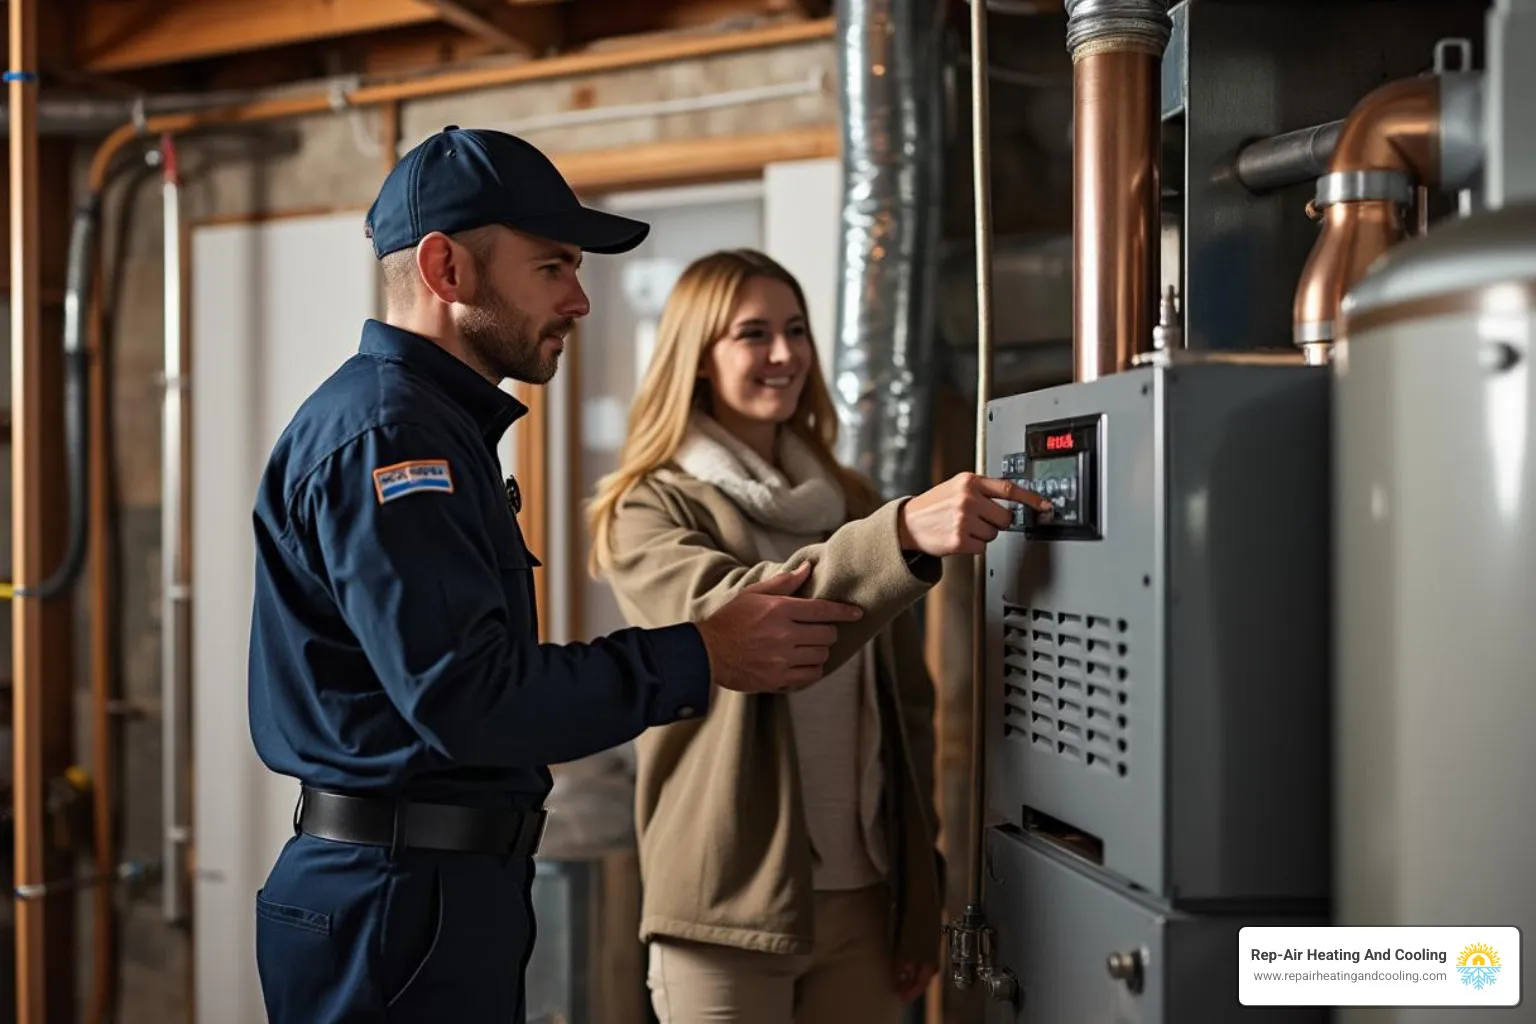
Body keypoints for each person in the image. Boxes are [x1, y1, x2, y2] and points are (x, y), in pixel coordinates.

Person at [244, 128, 867, 1024]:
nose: (580, 301)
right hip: (394, 897)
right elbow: (470, 697)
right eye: (552, 268)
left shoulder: (436, 429)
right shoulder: (393, 439)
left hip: (435, 887)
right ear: (445, 269)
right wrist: (701, 652)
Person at [586, 249, 1051, 1023]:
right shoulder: (651, 507)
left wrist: (917, 885)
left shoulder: (852, 501)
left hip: (864, 896)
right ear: (697, 359)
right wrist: (897, 535)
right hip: (727, 903)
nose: (784, 354)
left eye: (796, 329)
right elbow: (752, 627)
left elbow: (908, 712)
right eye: (753, 334)